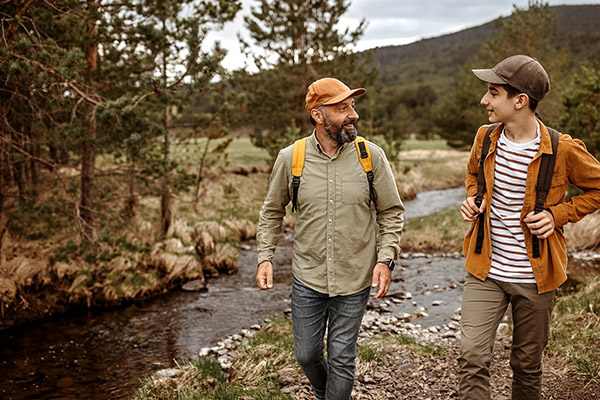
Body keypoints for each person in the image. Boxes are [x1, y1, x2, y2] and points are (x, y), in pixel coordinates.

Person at [458, 54, 600, 399]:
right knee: (471, 357)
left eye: (493, 93)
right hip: (484, 269)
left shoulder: (562, 149)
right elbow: (474, 175)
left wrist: (558, 215)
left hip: (537, 278)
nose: (484, 100)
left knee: (526, 365)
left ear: (520, 100)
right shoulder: (485, 137)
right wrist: (476, 198)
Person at [255, 77, 404, 400]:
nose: (353, 115)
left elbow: (391, 211)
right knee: (306, 355)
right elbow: (271, 211)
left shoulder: (371, 156)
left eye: (352, 106)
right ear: (318, 116)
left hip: (355, 276)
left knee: (341, 357)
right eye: (342, 108)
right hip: (308, 276)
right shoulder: (290, 158)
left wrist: (385, 258)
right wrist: (265, 256)